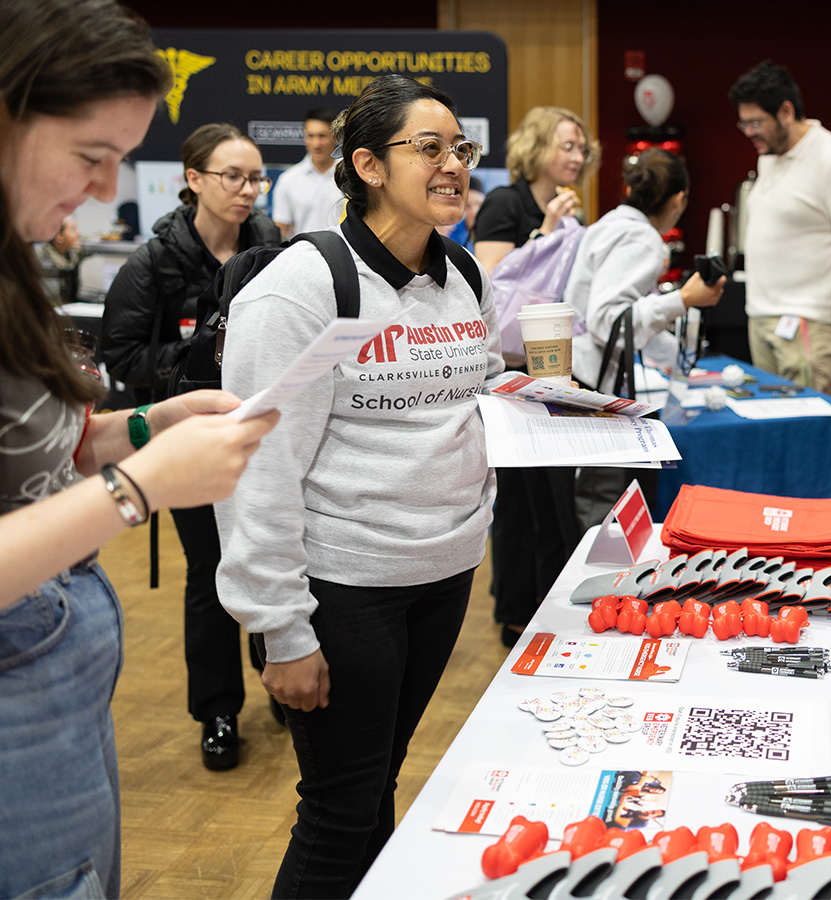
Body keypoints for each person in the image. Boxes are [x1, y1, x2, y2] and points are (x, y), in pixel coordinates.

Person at [0, 1, 278, 897]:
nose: (102, 186)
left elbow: (43, 449)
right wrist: (140, 484)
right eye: (89, 157)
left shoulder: (16, 263)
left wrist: (155, 424)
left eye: (121, 159)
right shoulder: (137, 267)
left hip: (60, 666)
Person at [214, 73, 509, 899]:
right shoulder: (307, 289)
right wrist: (282, 629)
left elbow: (469, 390)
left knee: (376, 784)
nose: (455, 164)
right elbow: (258, 463)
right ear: (369, 165)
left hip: (443, 573)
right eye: (432, 148)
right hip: (347, 589)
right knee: (341, 812)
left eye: (463, 149)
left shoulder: (461, 274)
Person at [101, 123, 281, 770]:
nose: (247, 190)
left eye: (256, 177)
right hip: (185, 439)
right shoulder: (154, 262)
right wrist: (200, 347)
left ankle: (275, 670)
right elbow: (119, 355)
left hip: (262, 428)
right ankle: (218, 711)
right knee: (209, 570)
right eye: (232, 176)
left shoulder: (269, 244)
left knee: (267, 552)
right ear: (194, 179)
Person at [473, 106, 600, 647]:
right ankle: (518, 610)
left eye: (580, 148)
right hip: (513, 371)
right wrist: (547, 230)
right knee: (522, 501)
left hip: (556, 368)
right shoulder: (508, 201)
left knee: (550, 499)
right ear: (537, 146)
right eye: (565, 145)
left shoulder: (573, 211)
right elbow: (493, 283)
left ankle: (547, 600)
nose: (575, 157)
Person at [563, 148, 724, 528]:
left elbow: (629, 316)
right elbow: (609, 320)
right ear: (679, 198)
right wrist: (682, 299)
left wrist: (679, 357)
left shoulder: (612, 223)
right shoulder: (642, 238)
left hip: (580, 372)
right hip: (593, 384)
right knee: (601, 509)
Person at [729, 60, 831, 396]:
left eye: (756, 122)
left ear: (786, 111)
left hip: (810, 319)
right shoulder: (769, 155)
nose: (749, 132)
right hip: (761, 315)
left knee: (805, 429)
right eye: (744, 124)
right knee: (769, 424)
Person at [271, 107, 345, 239]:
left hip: (345, 256)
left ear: (335, 137)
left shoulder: (351, 175)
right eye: (310, 136)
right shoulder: (288, 180)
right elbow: (281, 230)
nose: (316, 144)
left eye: (322, 136)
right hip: (302, 256)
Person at [37, 215, 84, 304]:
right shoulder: (40, 258)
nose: (78, 233)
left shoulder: (73, 254)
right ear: (59, 237)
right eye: (73, 230)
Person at [437, 175, 484, 251]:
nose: (474, 211)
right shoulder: (450, 233)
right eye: (467, 206)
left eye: (478, 204)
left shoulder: (492, 231)